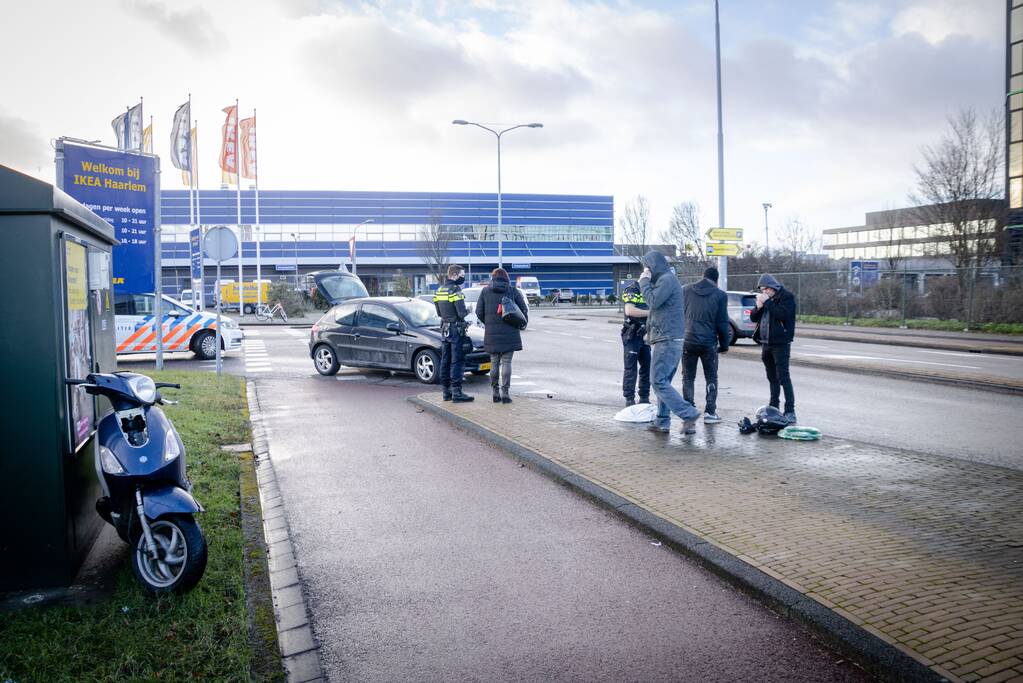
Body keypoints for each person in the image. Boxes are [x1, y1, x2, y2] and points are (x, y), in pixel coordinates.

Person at [638, 250, 701, 434]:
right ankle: (662, 421)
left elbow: (653, 301)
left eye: (646, 266)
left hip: (668, 339)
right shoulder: (666, 280)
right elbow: (659, 310)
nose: (644, 269)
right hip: (669, 337)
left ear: (652, 266)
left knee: (658, 381)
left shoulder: (666, 280)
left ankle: (688, 413)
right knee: (663, 381)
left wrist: (644, 281)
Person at [681, 266, 730, 423]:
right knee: (711, 377)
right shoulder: (720, 295)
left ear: (703, 276)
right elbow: (722, 322)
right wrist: (724, 345)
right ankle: (710, 412)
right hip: (708, 343)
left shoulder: (686, 290)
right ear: (716, 280)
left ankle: (689, 411)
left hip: (687, 340)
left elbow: (680, 314)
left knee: (688, 377)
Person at [749, 273, 797, 424]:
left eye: (766, 289)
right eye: (762, 290)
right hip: (766, 342)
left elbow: (783, 314)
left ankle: (790, 410)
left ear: (773, 288)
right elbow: (753, 318)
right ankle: (773, 407)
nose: (764, 292)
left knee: (783, 377)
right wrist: (758, 307)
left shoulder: (787, 297)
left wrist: (768, 302)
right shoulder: (766, 300)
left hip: (781, 343)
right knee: (772, 377)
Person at [476, 268, 528, 404]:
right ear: (506, 278)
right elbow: (523, 309)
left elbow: (478, 312)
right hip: (510, 332)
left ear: (493, 277)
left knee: (494, 364)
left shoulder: (485, 291)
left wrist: (488, 322)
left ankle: (495, 392)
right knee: (506, 362)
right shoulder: (512, 290)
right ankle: (505, 393)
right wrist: (517, 323)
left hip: (492, 335)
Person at [433, 264, 475, 403]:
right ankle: (457, 392)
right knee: (457, 360)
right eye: (462, 275)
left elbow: (439, 312)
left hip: (444, 328)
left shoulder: (439, 290)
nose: (463, 277)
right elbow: (461, 313)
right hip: (456, 329)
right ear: (455, 275)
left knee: (445, 359)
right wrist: (468, 310)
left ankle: (446, 392)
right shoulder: (455, 289)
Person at [620, 279, 651, 406]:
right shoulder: (632, 289)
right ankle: (629, 399)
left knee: (646, 367)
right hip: (632, 334)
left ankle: (644, 397)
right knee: (631, 368)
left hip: (645, 333)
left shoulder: (650, 290)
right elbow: (630, 310)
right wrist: (652, 313)